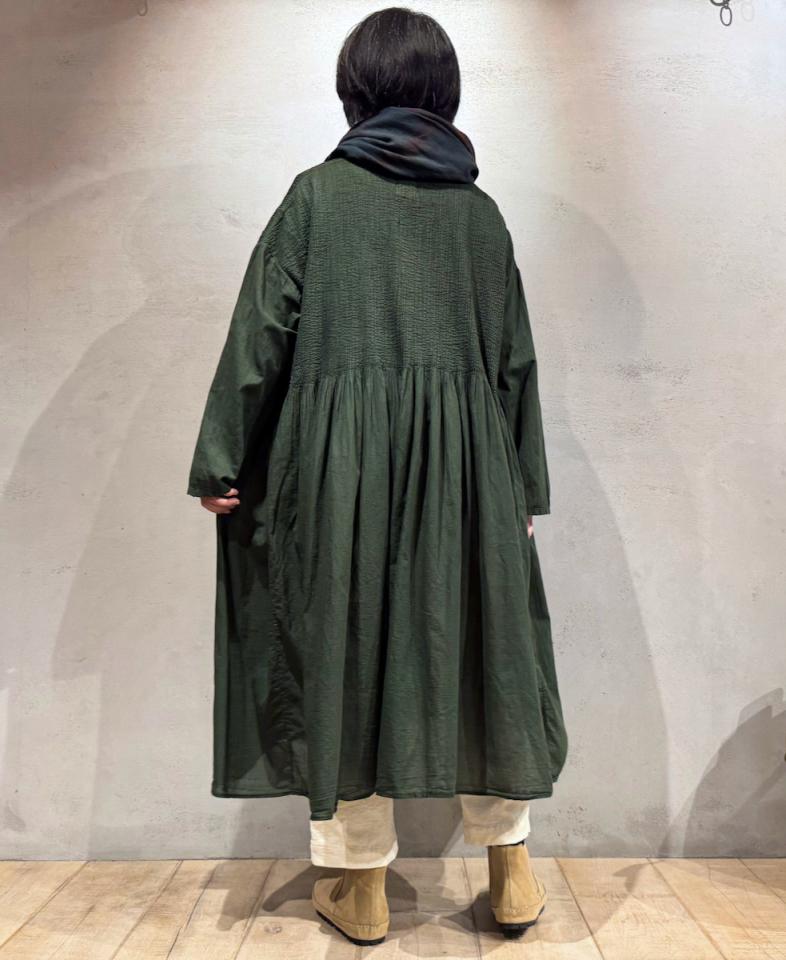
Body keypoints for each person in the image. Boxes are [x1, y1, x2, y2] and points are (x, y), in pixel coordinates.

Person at [187, 6, 568, 947]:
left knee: (343, 648)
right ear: (446, 94)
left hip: (341, 468)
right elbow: (515, 363)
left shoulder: (317, 198)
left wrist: (221, 459)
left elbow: (258, 337)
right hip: (469, 470)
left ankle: (359, 887)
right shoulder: (481, 216)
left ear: (354, 93)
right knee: (484, 653)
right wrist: (523, 490)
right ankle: (512, 873)